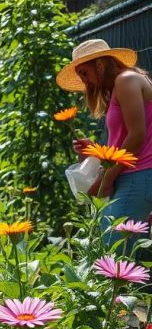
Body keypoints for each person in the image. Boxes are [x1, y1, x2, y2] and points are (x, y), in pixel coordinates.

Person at [58, 39, 152, 238]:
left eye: (84, 72)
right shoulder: (120, 86)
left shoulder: (126, 80)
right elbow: (127, 139)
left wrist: (106, 178)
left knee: (115, 251)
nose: (83, 80)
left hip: (138, 175)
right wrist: (96, 151)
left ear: (100, 64)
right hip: (129, 174)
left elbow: (137, 137)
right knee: (124, 251)